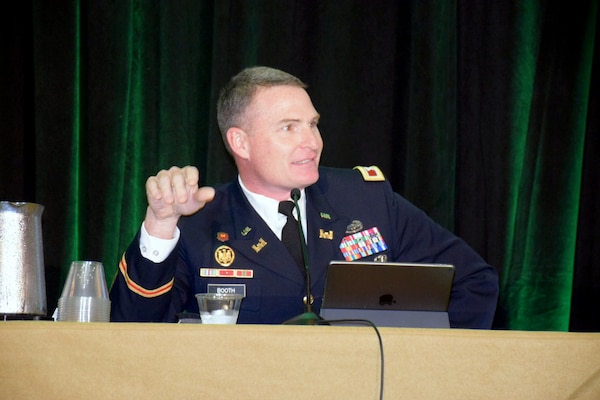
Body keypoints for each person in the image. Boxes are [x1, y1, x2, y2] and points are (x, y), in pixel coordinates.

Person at [109, 66, 498, 328]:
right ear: (239, 141)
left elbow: (474, 283)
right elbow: (132, 331)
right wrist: (160, 224)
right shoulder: (200, 222)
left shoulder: (366, 200)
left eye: (312, 125)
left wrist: (419, 365)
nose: (311, 142)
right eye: (288, 127)